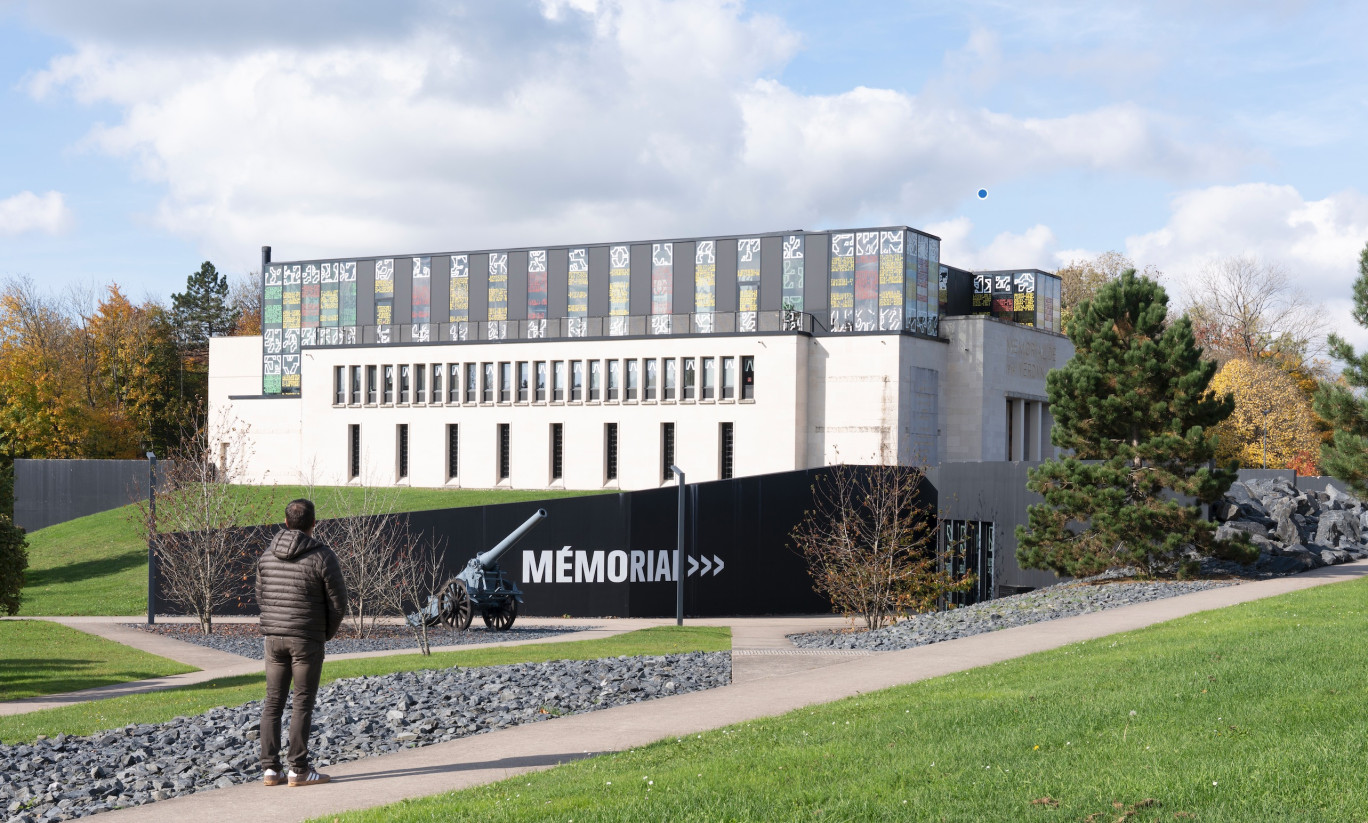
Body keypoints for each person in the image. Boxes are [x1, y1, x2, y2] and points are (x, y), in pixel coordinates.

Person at [256, 498, 347, 787]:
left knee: (273, 702)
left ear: (286, 523)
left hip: (274, 638)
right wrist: (324, 633)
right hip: (307, 639)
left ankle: (271, 770)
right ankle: (298, 769)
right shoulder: (322, 556)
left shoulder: (266, 556)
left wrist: (275, 624)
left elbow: (260, 596)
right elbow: (338, 604)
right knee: (302, 703)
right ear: (313, 524)